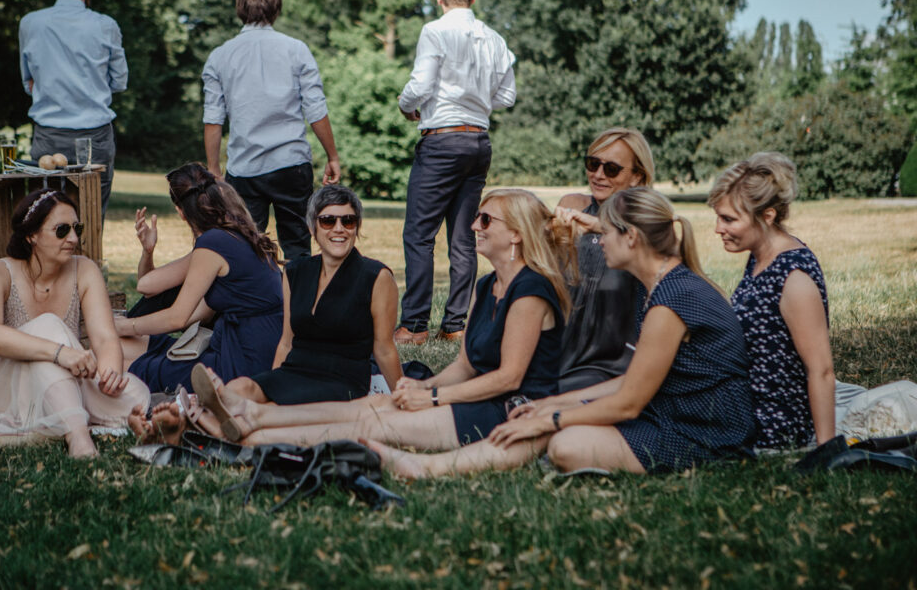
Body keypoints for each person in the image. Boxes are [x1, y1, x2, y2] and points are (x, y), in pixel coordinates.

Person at [365, 187, 757, 478]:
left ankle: (427, 468)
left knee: (565, 443)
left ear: (632, 239)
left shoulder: (672, 299)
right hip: (668, 412)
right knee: (554, 426)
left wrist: (550, 418)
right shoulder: (664, 286)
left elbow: (627, 403)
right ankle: (425, 466)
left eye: (607, 233)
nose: (599, 241)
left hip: (704, 432)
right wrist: (557, 404)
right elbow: (630, 382)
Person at [190, 189, 576, 451]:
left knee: (367, 423)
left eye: (485, 220)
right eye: (477, 217)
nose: (474, 226)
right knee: (370, 407)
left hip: (510, 409)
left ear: (516, 235)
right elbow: (465, 365)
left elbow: (509, 378)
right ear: (313, 227)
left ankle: (244, 436)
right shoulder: (487, 284)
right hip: (477, 398)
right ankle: (243, 413)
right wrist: (418, 387)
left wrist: (432, 396)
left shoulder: (530, 290)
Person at [133, 185, 405, 444]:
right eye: (327, 221)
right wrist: (273, 380)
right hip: (296, 370)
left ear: (357, 227)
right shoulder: (296, 272)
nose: (339, 228)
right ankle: (204, 420)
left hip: (340, 380)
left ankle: (194, 426)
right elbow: (286, 342)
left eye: (348, 221)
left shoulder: (376, 277)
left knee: (272, 407)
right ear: (312, 227)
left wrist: (403, 400)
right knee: (241, 388)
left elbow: (384, 349)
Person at [0, 188, 149, 458]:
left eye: (77, 228)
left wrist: (110, 374)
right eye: (62, 230)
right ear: (31, 235)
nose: (73, 238)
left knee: (136, 396)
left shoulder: (85, 269)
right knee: (48, 325)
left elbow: (105, 338)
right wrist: (60, 353)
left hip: (57, 377)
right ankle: (79, 438)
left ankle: (38, 431)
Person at [395, 0, 517, 345]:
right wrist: (477, 99)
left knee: (419, 234)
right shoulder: (494, 38)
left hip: (443, 140)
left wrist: (405, 104)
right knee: (463, 237)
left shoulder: (434, 31)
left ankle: (415, 325)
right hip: (478, 141)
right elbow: (507, 96)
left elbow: (421, 85)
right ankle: (455, 325)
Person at [202, 0, 342, 262]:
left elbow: (213, 120)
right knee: (298, 249)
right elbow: (316, 109)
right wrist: (332, 156)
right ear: (276, 10)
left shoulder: (219, 57)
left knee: (246, 251)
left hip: (244, 167)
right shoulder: (297, 49)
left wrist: (214, 170)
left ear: (240, 9)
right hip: (291, 164)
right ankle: (297, 292)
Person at [118, 163, 283, 394]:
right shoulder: (233, 236)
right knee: (121, 346)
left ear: (181, 212)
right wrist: (148, 251)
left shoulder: (214, 243)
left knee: (125, 365)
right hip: (246, 349)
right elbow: (149, 287)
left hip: (243, 361)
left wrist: (125, 325)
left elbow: (177, 318)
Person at [709, 152, 834, 448]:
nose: (717, 228)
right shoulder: (759, 256)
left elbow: (821, 370)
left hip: (772, 425)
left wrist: (827, 449)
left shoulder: (794, 279)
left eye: (728, 219)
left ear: (767, 216)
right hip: (744, 404)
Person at [19, 0, 127, 223]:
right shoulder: (106, 26)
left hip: (48, 137)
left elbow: (28, 83)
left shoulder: (30, 24)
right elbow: (119, 81)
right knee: (90, 223)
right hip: (95, 139)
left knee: (45, 225)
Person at [554, 127, 655, 390]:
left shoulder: (646, 221)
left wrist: (600, 226)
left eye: (611, 169)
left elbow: (653, 247)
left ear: (636, 176)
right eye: (593, 163)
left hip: (611, 358)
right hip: (561, 342)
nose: (598, 175)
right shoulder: (573, 204)